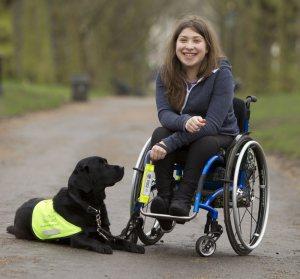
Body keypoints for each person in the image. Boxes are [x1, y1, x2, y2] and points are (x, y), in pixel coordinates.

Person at [149, 16, 239, 231]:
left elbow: (213, 124)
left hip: (217, 134)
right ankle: (164, 197)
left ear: (207, 46)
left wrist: (168, 145)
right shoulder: (166, 73)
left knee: (204, 141)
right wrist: (184, 121)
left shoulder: (222, 73)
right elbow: (164, 114)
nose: (189, 46)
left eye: (196, 41)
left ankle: (183, 199)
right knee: (159, 132)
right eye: (183, 40)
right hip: (181, 131)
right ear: (175, 44)